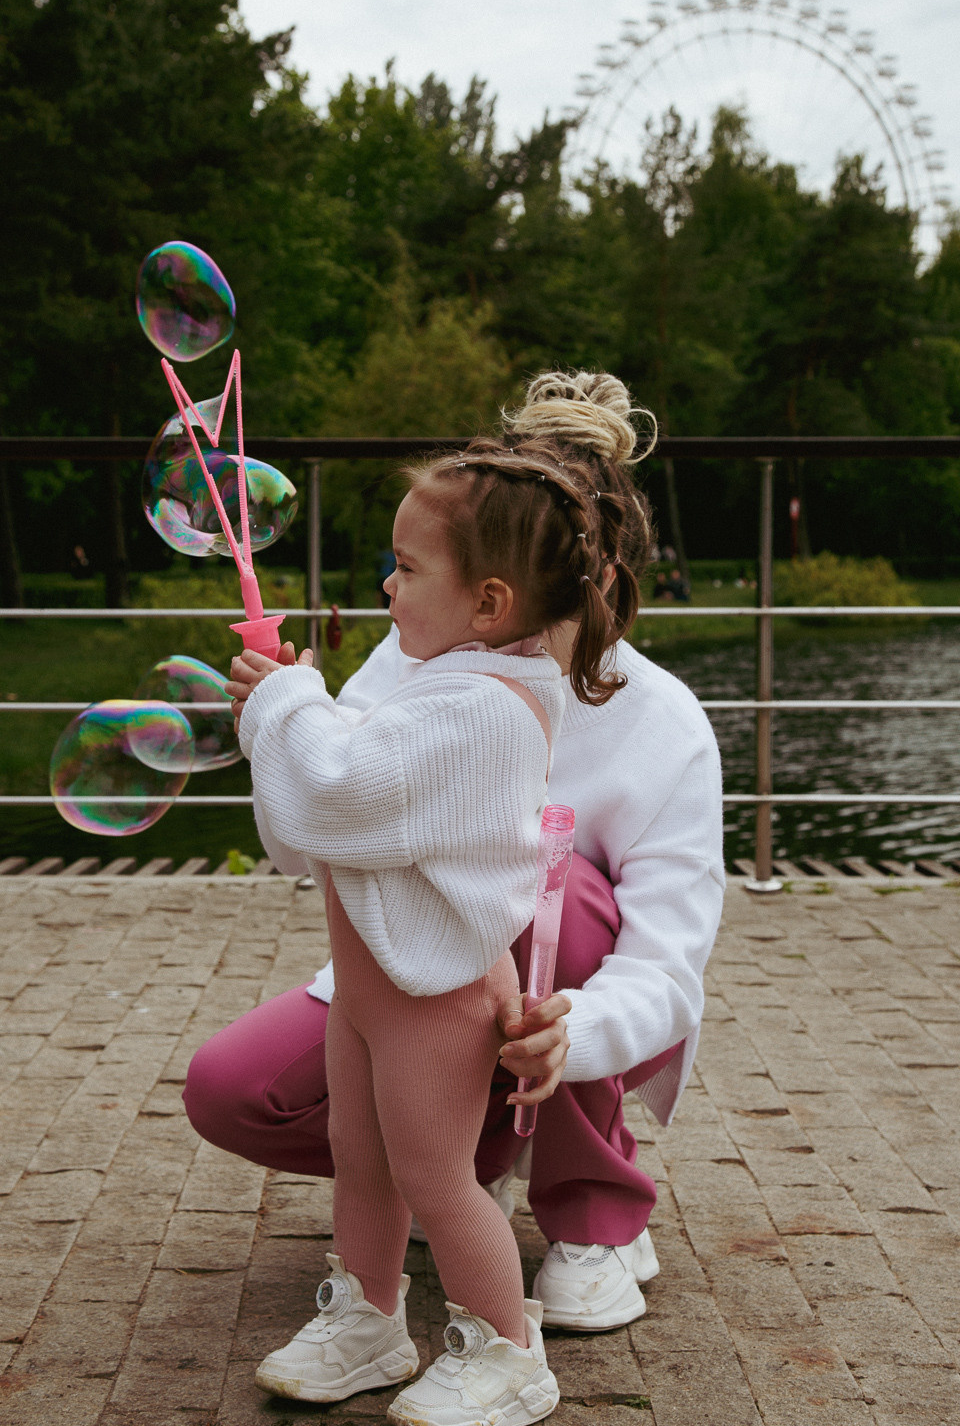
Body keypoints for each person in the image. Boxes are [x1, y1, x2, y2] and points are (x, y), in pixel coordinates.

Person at [184, 372, 724, 1348]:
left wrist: (576, 1031)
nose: (395, 592)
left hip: (543, 993)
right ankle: (460, 1163)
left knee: (552, 888)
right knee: (236, 1089)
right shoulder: (414, 653)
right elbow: (310, 842)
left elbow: (667, 969)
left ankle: (595, 1204)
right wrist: (283, 737)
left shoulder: (668, 723)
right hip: (415, 983)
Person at [218, 435, 643, 1424]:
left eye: (407, 570)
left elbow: (344, 787)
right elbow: (335, 777)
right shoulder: (437, 675)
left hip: (435, 996)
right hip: (372, 991)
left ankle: (509, 1352)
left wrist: (286, 699)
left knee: (435, 1177)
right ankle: (368, 1321)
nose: (386, 586)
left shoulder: (486, 710)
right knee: (358, 1154)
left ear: (489, 604)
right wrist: (285, 702)